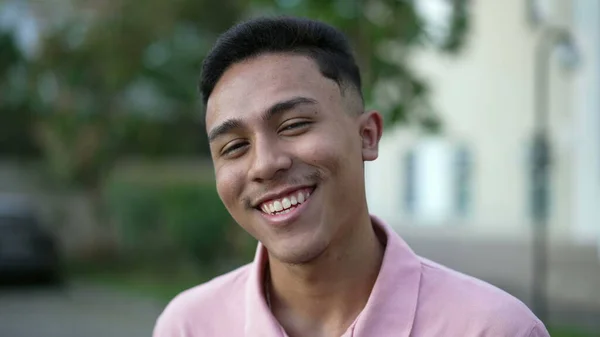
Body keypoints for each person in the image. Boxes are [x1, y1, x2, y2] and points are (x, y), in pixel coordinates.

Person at [153, 16, 550, 337]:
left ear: (367, 136)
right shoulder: (189, 326)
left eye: (292, 125)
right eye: (234, 147)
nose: (264, 164)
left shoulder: (493, 328)